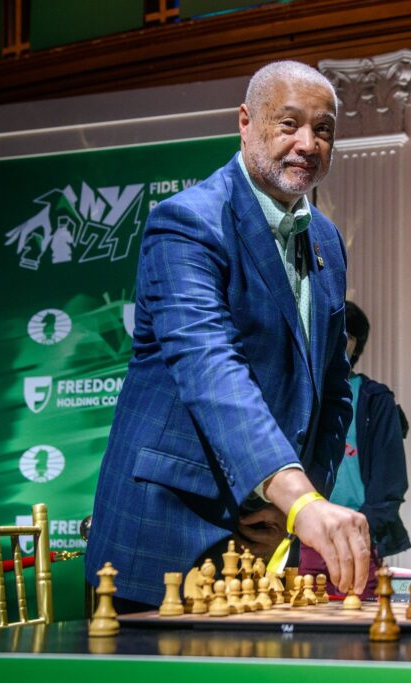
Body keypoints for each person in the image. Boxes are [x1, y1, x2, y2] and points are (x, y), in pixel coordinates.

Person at [84, 60, 370, 608]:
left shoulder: (328, 242)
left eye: (324, 129)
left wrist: (297, 499)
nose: (308, 143)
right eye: (289, 124)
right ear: (245, 121)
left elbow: (334, 389)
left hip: (264, 530)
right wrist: (298, 499)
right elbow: (211, 370)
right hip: (165, 535)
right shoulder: (187, 221)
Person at [299, 301, 411, 597]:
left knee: (361, 636)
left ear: (356, 344)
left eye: (347, 335)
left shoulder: (376, 399)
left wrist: (366, 530)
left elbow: (391, 480)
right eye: (332, 332)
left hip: (359, 537)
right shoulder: (302, 393)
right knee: (301, 634)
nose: (339, 341)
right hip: (306, 538)